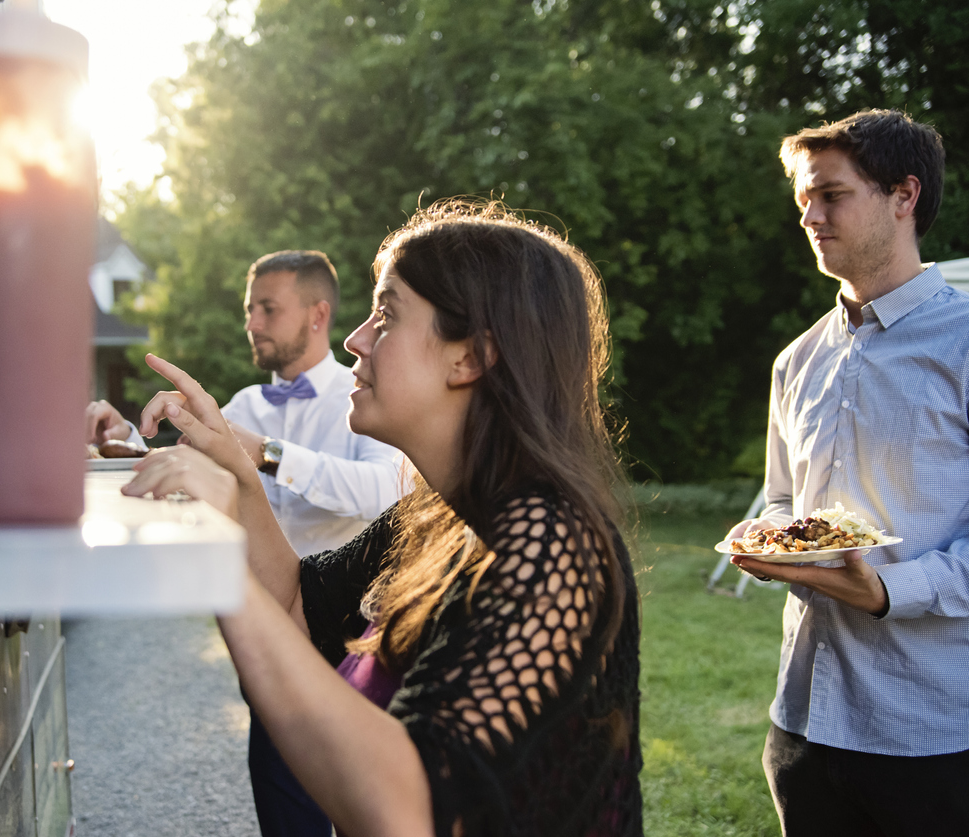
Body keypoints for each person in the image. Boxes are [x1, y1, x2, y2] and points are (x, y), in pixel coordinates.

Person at [122, 201, 643, 836]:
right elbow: (298, 610)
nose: (354, 340)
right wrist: (234, 471)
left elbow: (410, 811)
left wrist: (216, 561)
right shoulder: (429, 516)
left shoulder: (552, 541)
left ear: (470, 357)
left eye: (387, 315)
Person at [88, 250, 402, 837]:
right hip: (274, 638)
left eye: (268, 309)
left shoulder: (366, 396)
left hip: (353, 637)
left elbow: (383, 490)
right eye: (249, 309)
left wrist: (267, 453)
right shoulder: (248, 406)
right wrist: (125, 438)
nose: (252, 322)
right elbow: (185, 466)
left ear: (317, 315)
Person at [725, 109, 969, 835]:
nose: (808, 214)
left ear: (904, 195)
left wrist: (886, 591)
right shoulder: (796, 359)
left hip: (930, 732)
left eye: (830, 194)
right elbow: (781, 498)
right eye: (803, 197)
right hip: (801, 721)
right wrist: (768, 536)